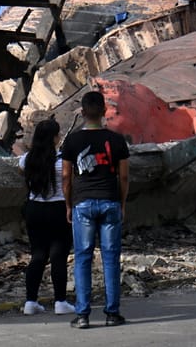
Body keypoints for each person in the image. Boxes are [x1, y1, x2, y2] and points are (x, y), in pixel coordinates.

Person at [61, 90, 130, 329]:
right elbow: (123, 177)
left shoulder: (72, 141)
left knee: (83, 258)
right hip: (110, 201)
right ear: (104, 111)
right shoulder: (117, 140)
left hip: (83, 204)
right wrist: (122, 204)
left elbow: (66, 177)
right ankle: (112, 313)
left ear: (82, 113)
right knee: (110, 258)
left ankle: (82, 314)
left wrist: (68, 204)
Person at [18, 118, 75, 316]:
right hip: (58, 208)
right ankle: (60, 301)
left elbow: (23, 175)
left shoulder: (27, 159)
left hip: (34, 208)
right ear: (54, 138)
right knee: (58, 255)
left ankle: (30, 301)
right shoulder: (62, 161)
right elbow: (69, 182)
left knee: (37, 254)